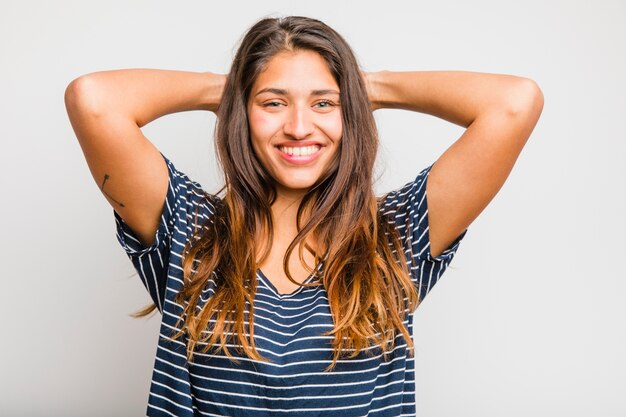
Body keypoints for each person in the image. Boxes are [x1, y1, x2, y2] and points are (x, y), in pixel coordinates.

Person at [64, 15, 543, 417]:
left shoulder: (398, 234)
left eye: (323, 104)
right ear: (242, 114)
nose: (298, 127)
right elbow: (94, 99)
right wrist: (233, 90)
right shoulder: (189, 229)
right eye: (273, 103)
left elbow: (514, 103)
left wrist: (360, 87)